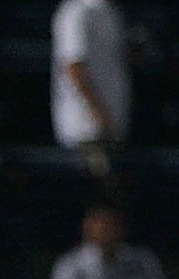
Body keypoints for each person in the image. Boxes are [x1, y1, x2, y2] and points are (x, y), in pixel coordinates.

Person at [51, 0, 128, 160]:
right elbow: (73, 67)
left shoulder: (111, 12)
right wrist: (98, 113)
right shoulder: (76, 13)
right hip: (84, 132)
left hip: (111, 126)